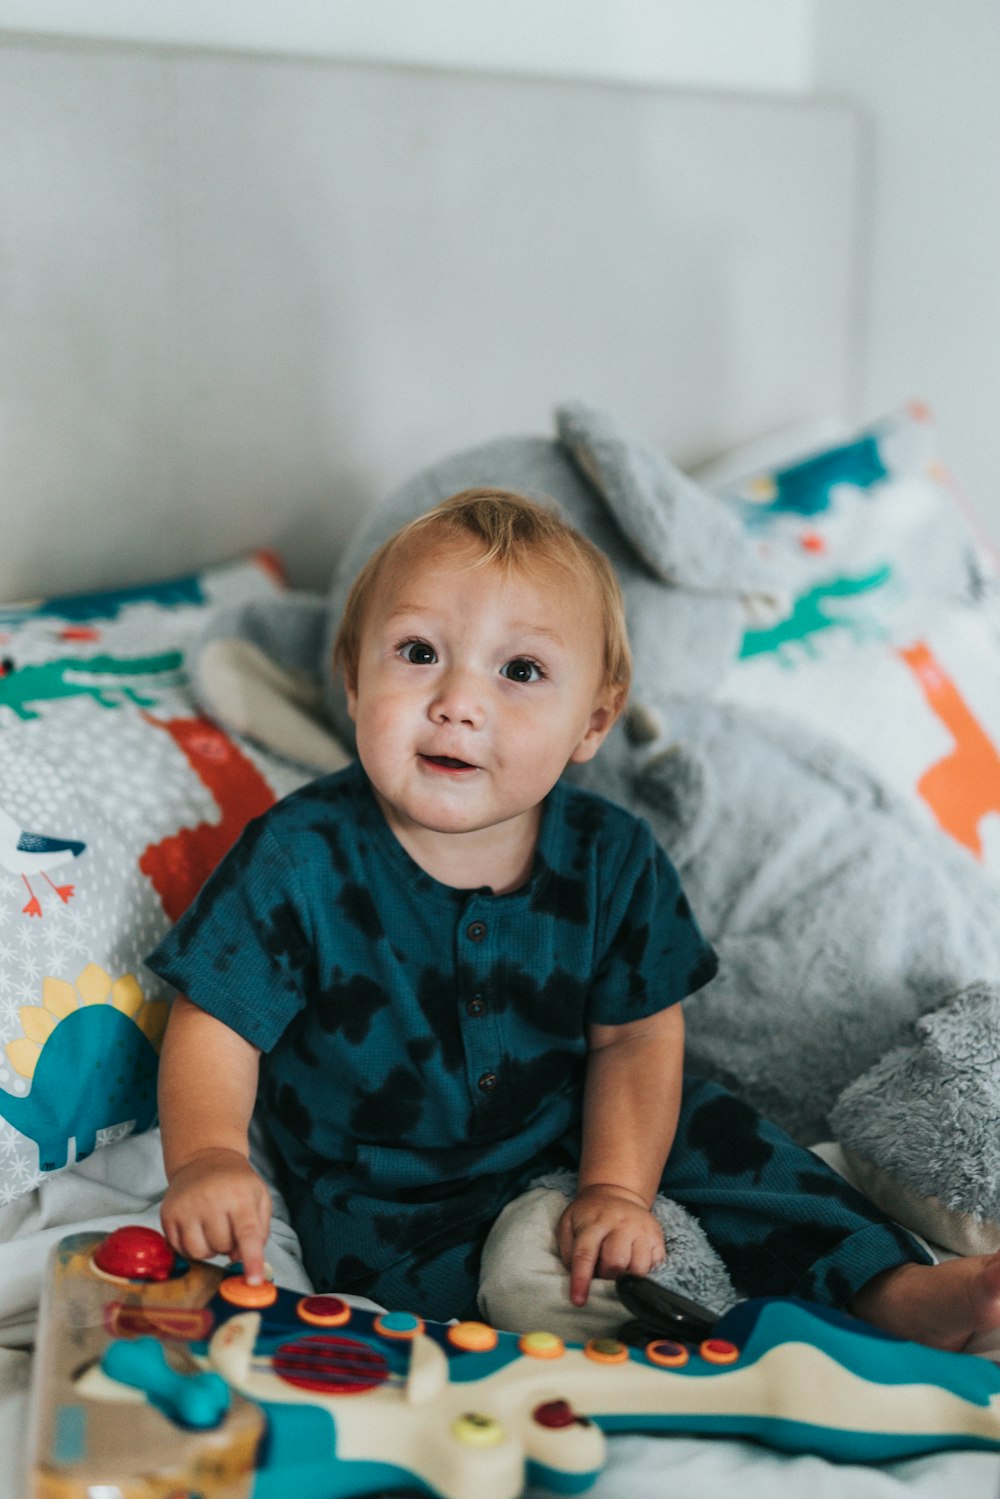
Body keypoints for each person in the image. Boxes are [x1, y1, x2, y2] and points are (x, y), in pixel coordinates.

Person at [148, 487, 1000, 1350]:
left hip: (584, 1126)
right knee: (512, 1292)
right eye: (417, 652)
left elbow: (635, 1041)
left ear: (592, 720)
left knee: (728, 1135)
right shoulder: (297, 855)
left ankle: (892, 1288)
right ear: (351, 674)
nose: (457, 701)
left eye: (519, 671)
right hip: (394, 1202)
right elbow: (217, 1022)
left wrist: (619, 1186)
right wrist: (209, 1158)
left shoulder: (611, 856)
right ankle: (713, 1342)